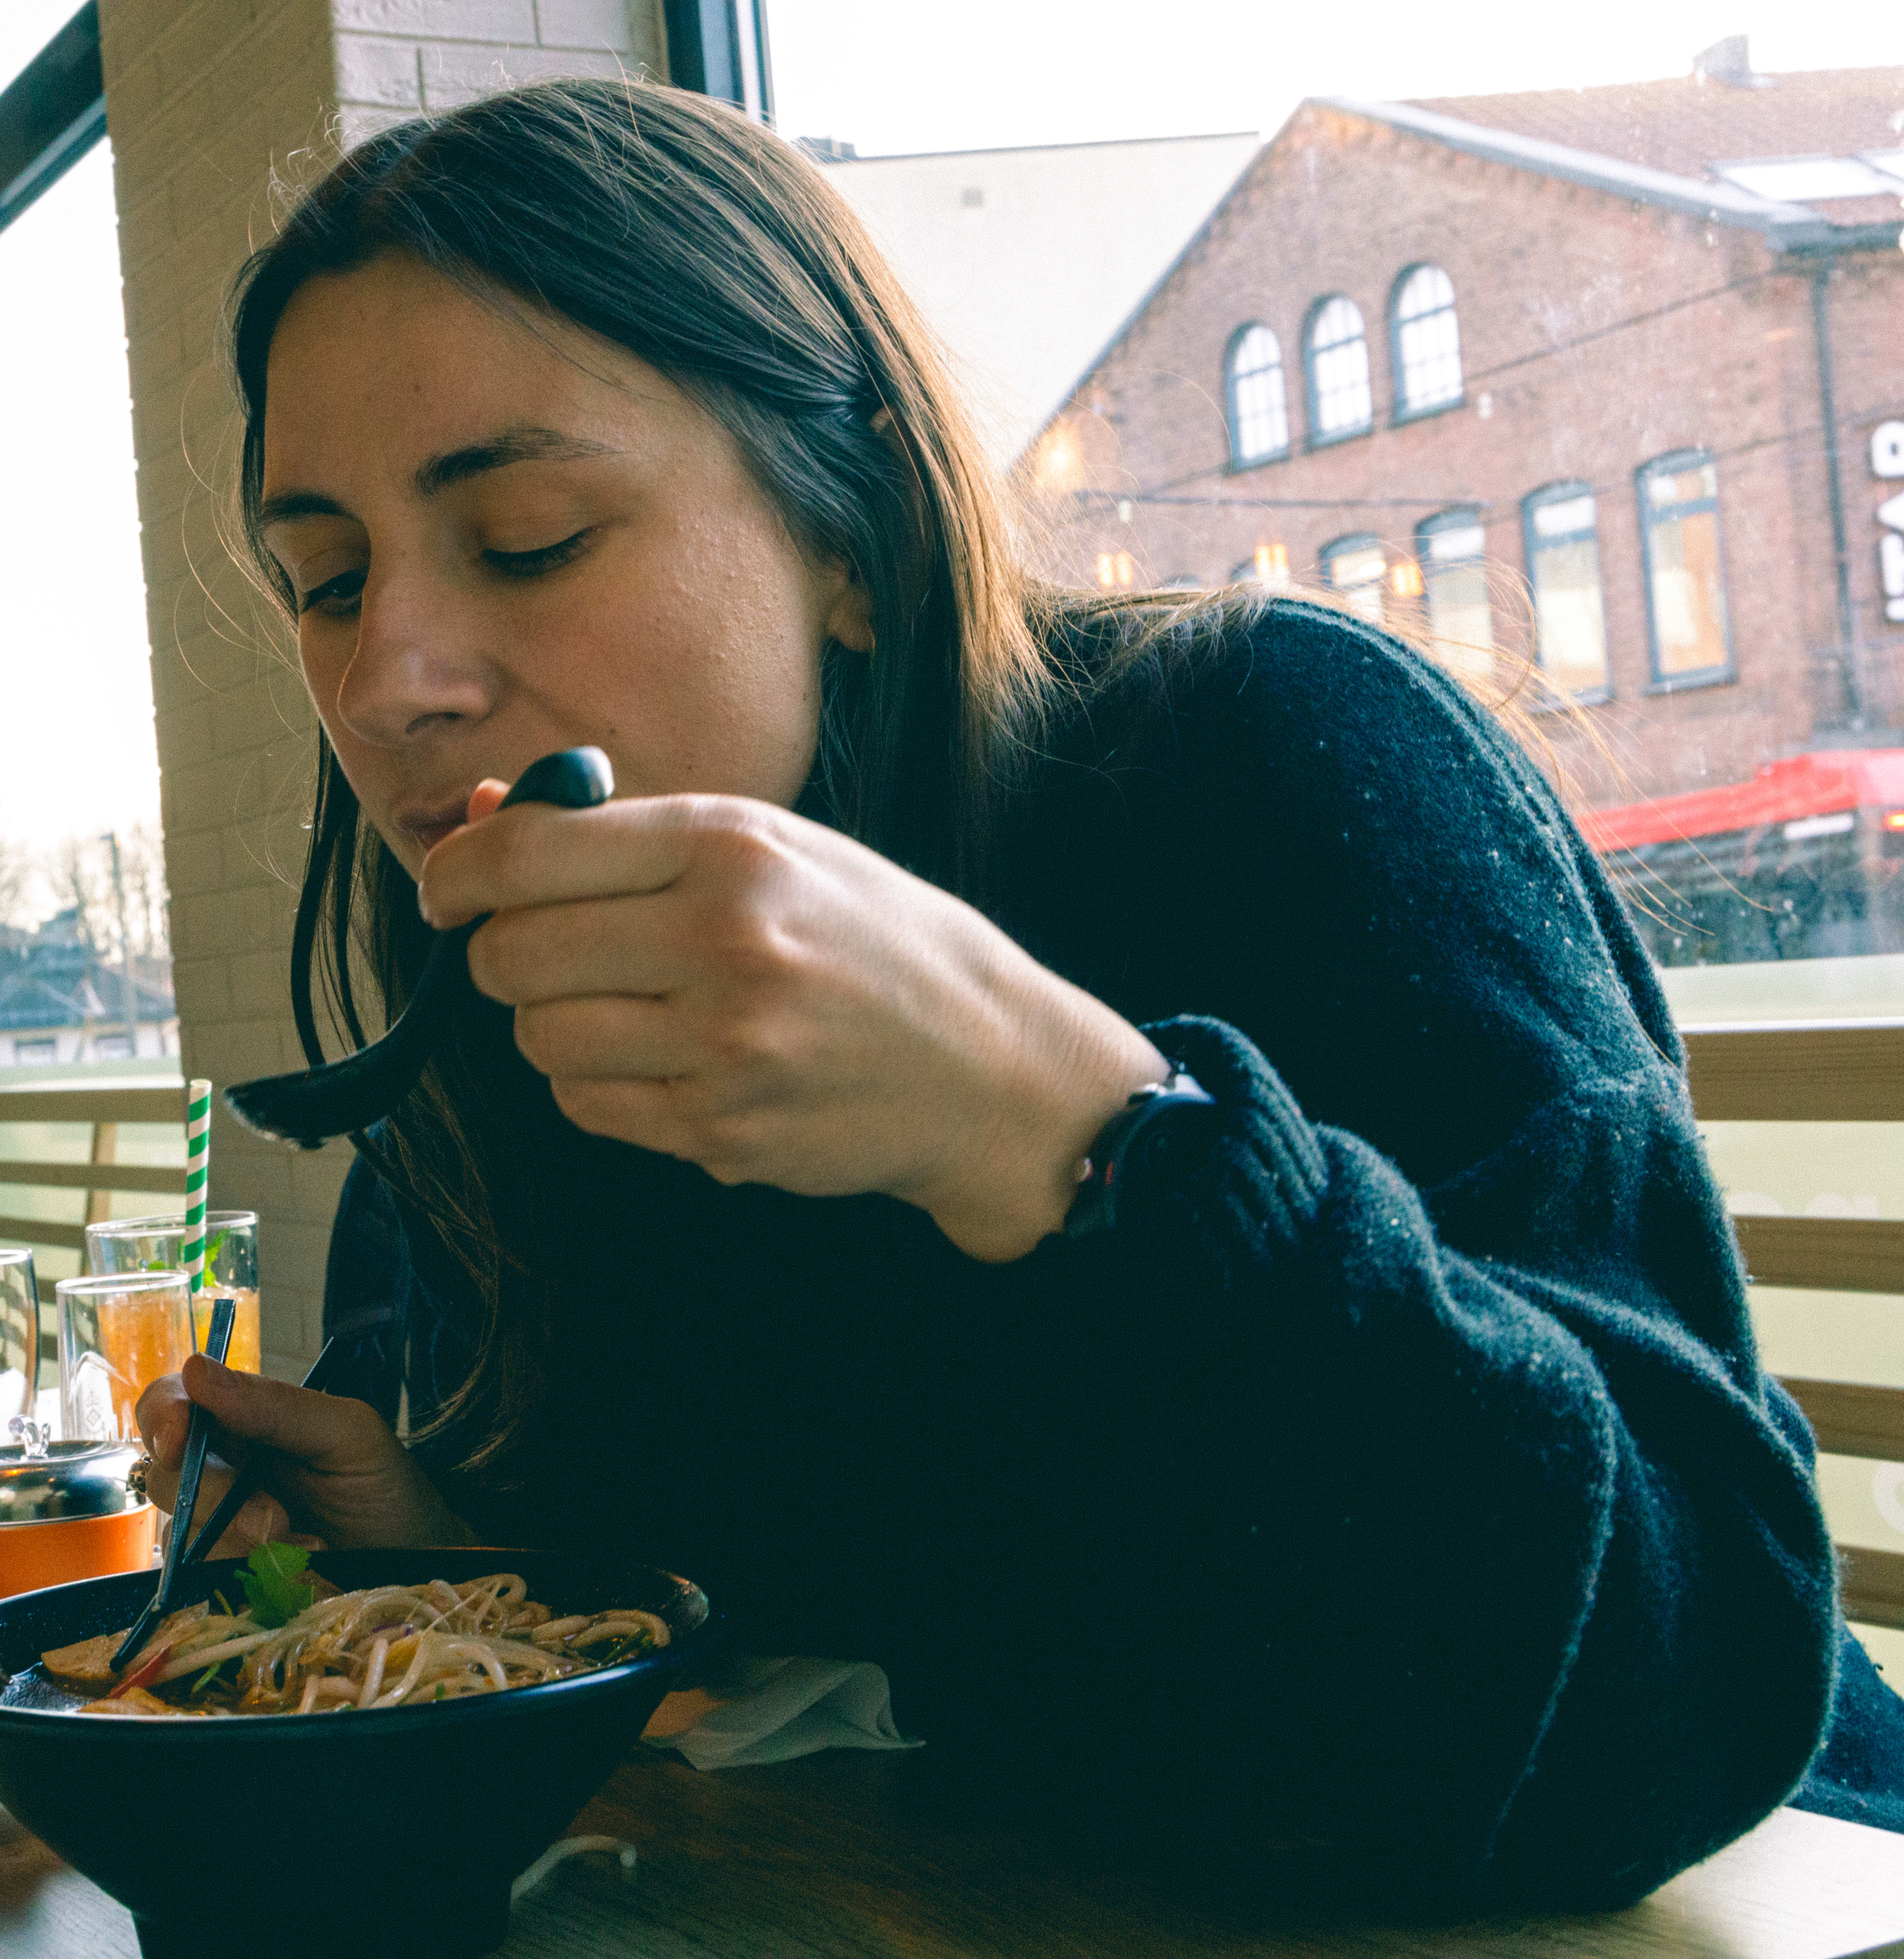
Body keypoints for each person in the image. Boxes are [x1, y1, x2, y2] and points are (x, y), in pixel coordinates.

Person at [135, 77, 1904, 1908]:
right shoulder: (484, 1061)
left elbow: (1690, 1686)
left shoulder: (1269, 762)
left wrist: (1063, 1134)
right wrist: (451, 1555)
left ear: (854, 532)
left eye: (525, 538)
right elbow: (810, 1654)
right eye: (325, 582)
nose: (392, 676)